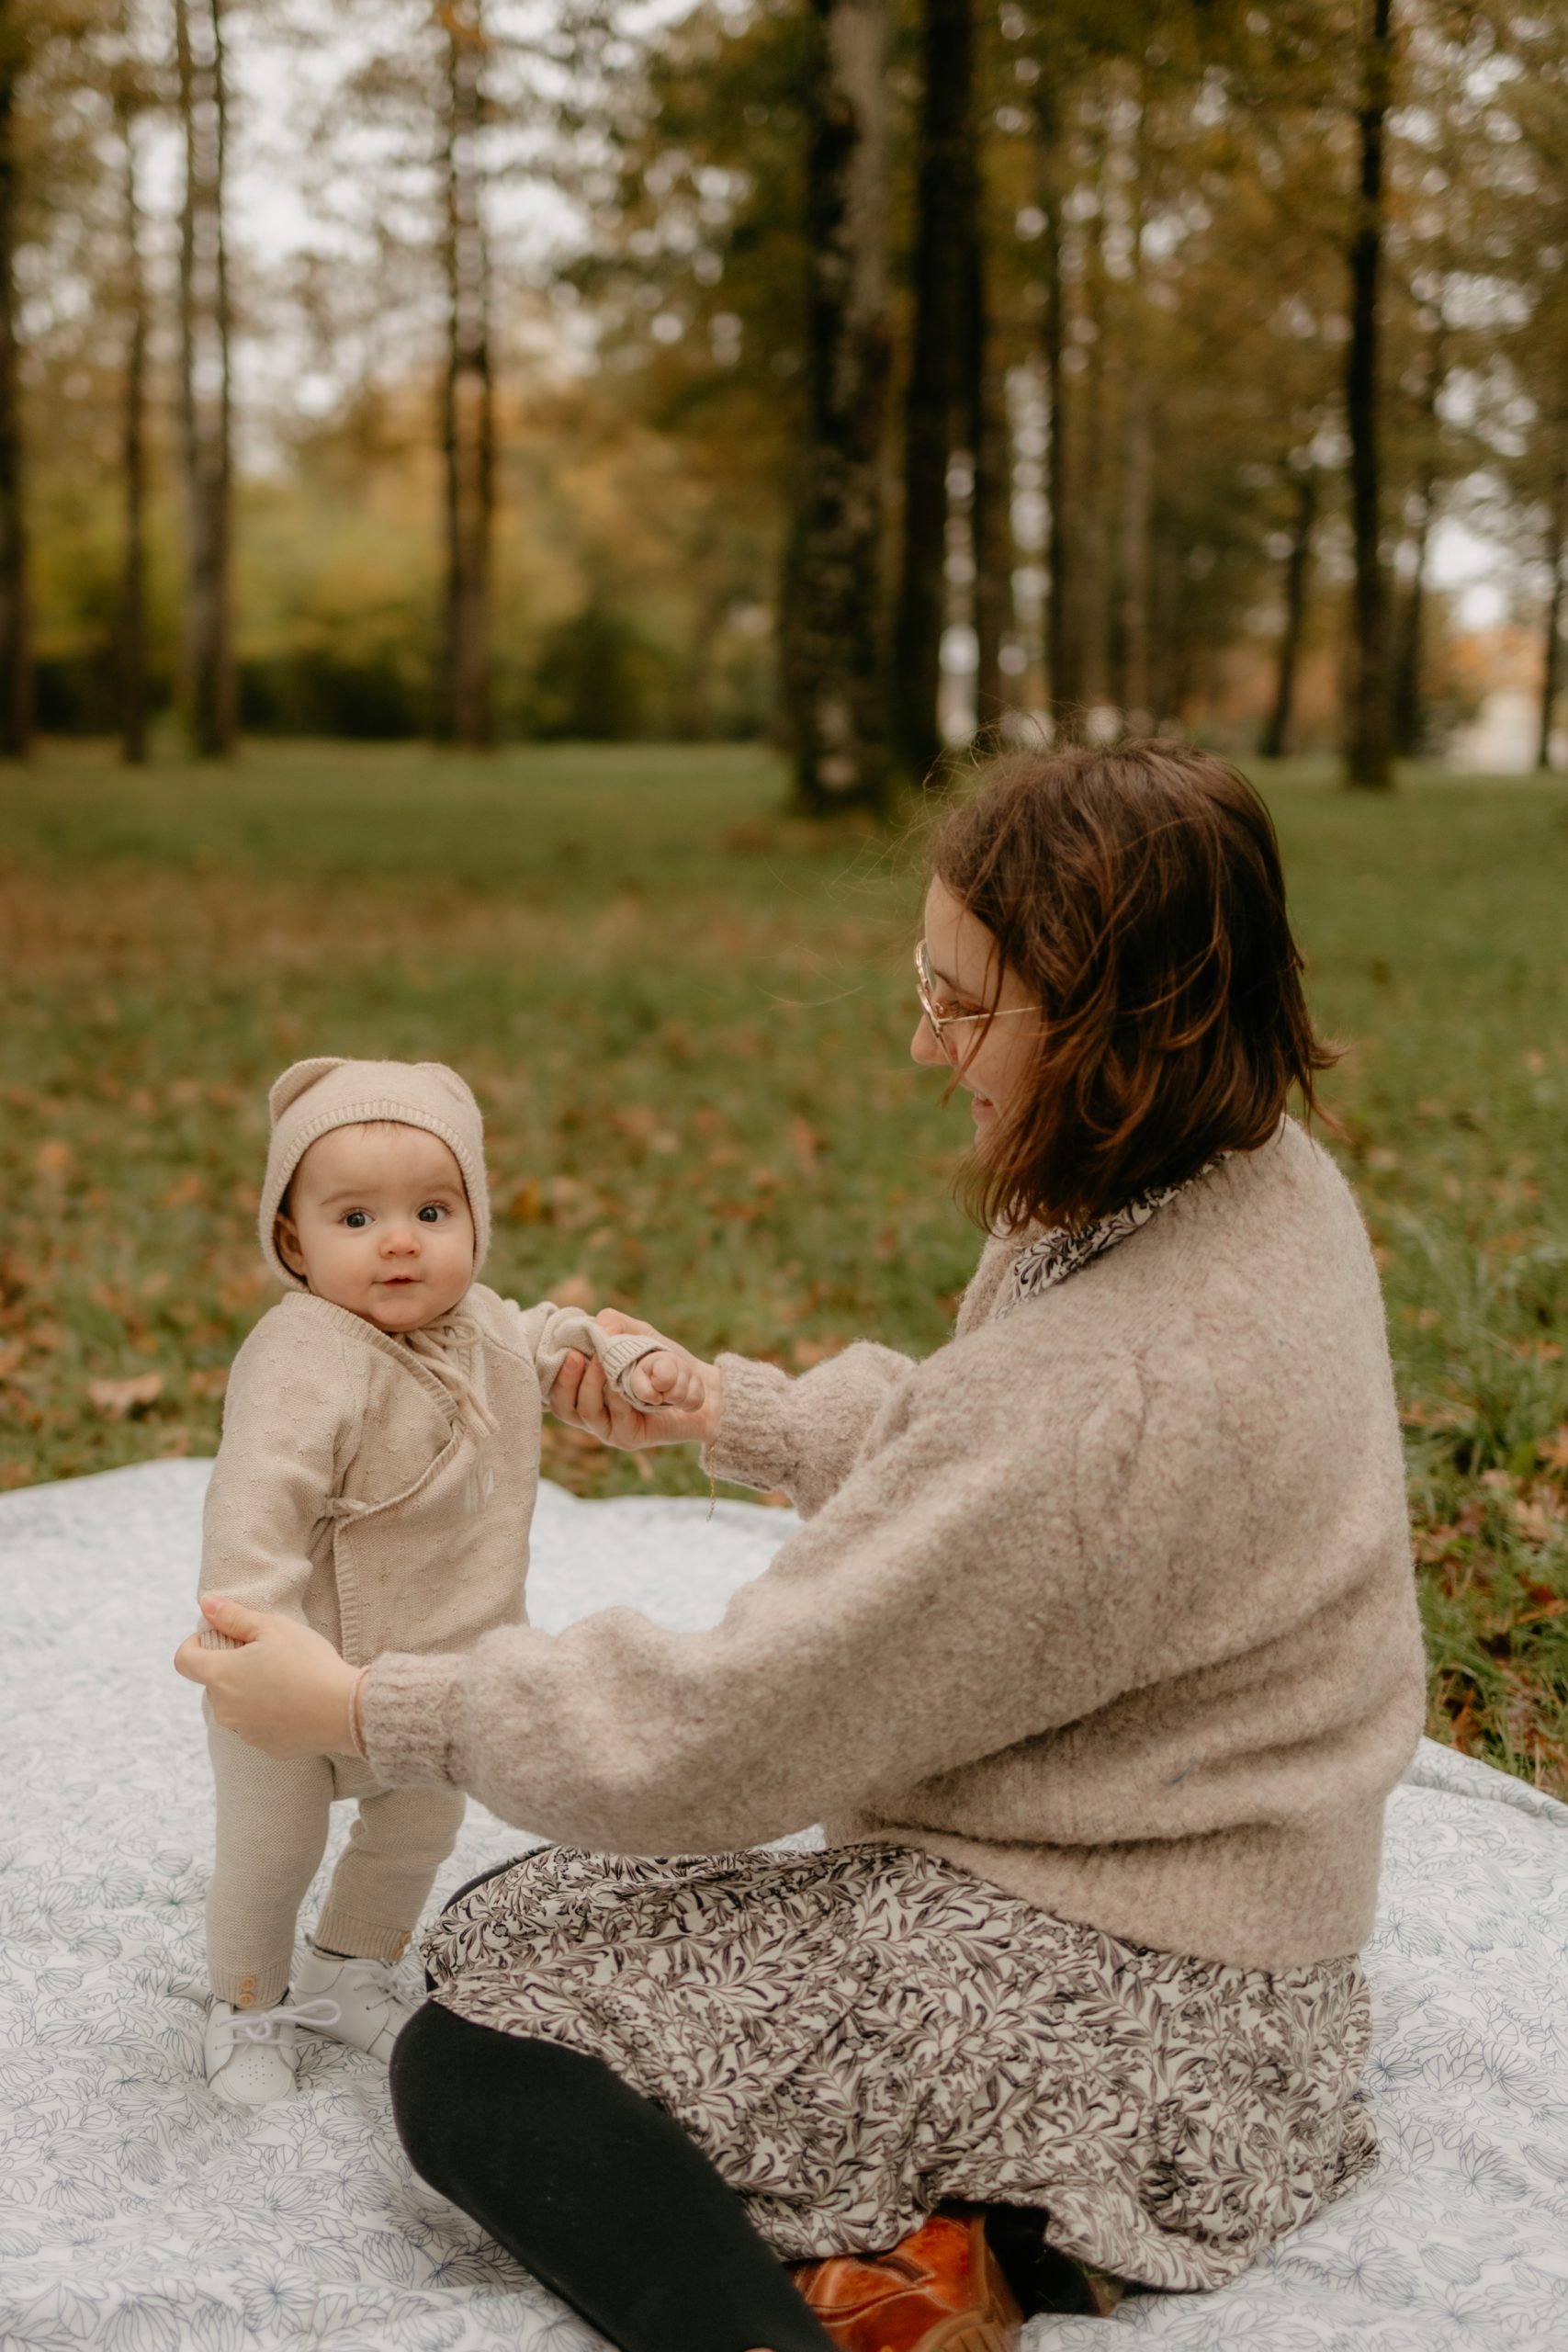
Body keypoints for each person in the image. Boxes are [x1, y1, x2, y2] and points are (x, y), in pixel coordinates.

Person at [177, 744, 1426, 2352]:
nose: (924, 1040)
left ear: (1116, 1015)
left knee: (478, 2045)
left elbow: (726, 1730)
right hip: (1242, 1905)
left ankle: (849, 2293)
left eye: (964, 1003)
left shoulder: (1113, 1388)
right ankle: (960, 2238)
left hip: (1142, 1986)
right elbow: (987, 1463)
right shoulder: (1243, 1173)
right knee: (521, 1916)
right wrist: (735, 1413)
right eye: (927, 981)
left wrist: (362, 1709)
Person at [189, 1055, 697, 2108]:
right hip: (293, 1663)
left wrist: (613, 1355)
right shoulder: (300, 1354)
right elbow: (256, 1505)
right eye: (356, 1217)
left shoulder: (478, 1330)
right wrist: (251, 1637)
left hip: (438, 1665)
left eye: (431, 1208)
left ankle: (348, 1965)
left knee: (417, 1826)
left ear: (476, 1220)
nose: (401, 1240)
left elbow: (540, 1335)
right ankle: (245, 2000)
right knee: (270, 1852)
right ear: (294, 1241)